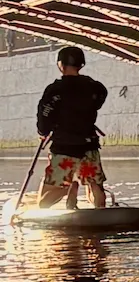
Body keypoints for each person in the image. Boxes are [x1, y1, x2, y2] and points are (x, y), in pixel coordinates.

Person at [36, 46, 108, 210]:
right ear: (81, 64)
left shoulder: (55, 90)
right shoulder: (94, 87)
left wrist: (43, 132)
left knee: (43, 202)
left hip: (64, 147)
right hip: (89, 145)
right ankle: (100, 209)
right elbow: (99, 99)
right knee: (95, 185)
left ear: (60, 65)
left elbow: (44, 113)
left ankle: (68, 187)